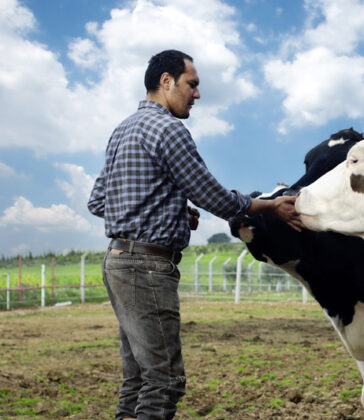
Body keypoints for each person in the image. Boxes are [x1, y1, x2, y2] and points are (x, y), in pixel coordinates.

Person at [87, 49, 302, 420]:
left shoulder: (122, 130)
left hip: (118, 262)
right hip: (147, 268)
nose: (197, 94)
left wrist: (171, 210)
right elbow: (215, 197)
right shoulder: (169, 130)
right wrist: (269, 206)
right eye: (193, 84)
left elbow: (97, 202)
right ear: (166, 81)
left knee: (137, 377)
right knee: (165, 380)